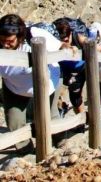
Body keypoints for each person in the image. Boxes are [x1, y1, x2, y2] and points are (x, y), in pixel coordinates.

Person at [0, 15, 62, 149]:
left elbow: (62, 47)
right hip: (14, 86)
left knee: (50, 116)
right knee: (14, 122)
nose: (5, 44)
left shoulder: (34, 35)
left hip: (46, 82)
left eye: (10, 41)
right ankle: (25, 151)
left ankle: (61, 142)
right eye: (2, 40)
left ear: (20, 36)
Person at [53, 17, 92, 114]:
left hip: (78, 70)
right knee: (55, 95)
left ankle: (80, 123)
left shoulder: (78, 37)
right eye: (62, 40)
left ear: (71, 33)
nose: (65, 42)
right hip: (61, 69)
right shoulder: (53, 38)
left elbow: (92, 45)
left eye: (67, 40)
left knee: (75, 98)